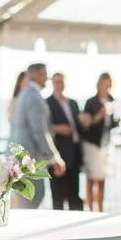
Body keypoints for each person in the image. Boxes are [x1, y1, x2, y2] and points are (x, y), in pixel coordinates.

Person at [13, 63, 65, 209]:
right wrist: (54, 157)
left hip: (26, 157)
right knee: (32, 199)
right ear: (37, 75)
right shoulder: (33, 97)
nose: (47, 78)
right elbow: (40, 131)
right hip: (30, 159)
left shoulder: (28, 94)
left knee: (31, 199)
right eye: (45, 74)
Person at [82, 72, 120, 212]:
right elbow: (86, 124)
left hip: (105, 143)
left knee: (102, 177)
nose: (107, 88)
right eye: (105, 85)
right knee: (91, 177)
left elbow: (110, 124)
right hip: (92, 143)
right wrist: (100, 115)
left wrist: (116, 121)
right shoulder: (90, 102)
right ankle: (91, 209)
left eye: (109, 85)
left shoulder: (112, 100)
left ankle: (100, 208)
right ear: (99, 85)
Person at [46, 72, 84, 210]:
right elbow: (43, 127)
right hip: (58, 153)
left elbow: (79, 126)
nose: (59, 84)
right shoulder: (47, 103)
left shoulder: (73, 103)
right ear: (52, 83)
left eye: (61, 81)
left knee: (74, 193)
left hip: (74, 152)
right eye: (56, 82)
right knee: (58, 195)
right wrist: (56, 128)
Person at [7, 71, 27, 143]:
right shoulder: (14, 101)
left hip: (22, 144)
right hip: (16, 144)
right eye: (26, 82)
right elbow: (14, 128)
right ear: (20, 83)